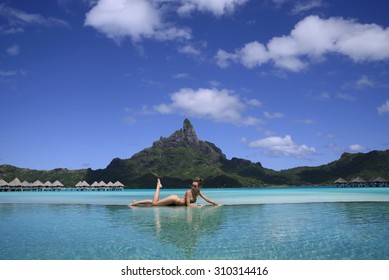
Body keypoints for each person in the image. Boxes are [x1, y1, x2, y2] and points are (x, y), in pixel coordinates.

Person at [129, 178, 222, 207]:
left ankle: (136, 201)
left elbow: (206, 199)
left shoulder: (198, 192)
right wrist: (198, 205)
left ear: (199, 186)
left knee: (156, 202)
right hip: (173, 199)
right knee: (154, 204)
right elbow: (188, 205)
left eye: (195, 186)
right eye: (192, 185)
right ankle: (158, 186)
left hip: (175, 203)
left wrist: (216, 204)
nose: (193, 187)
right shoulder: (188, 192)